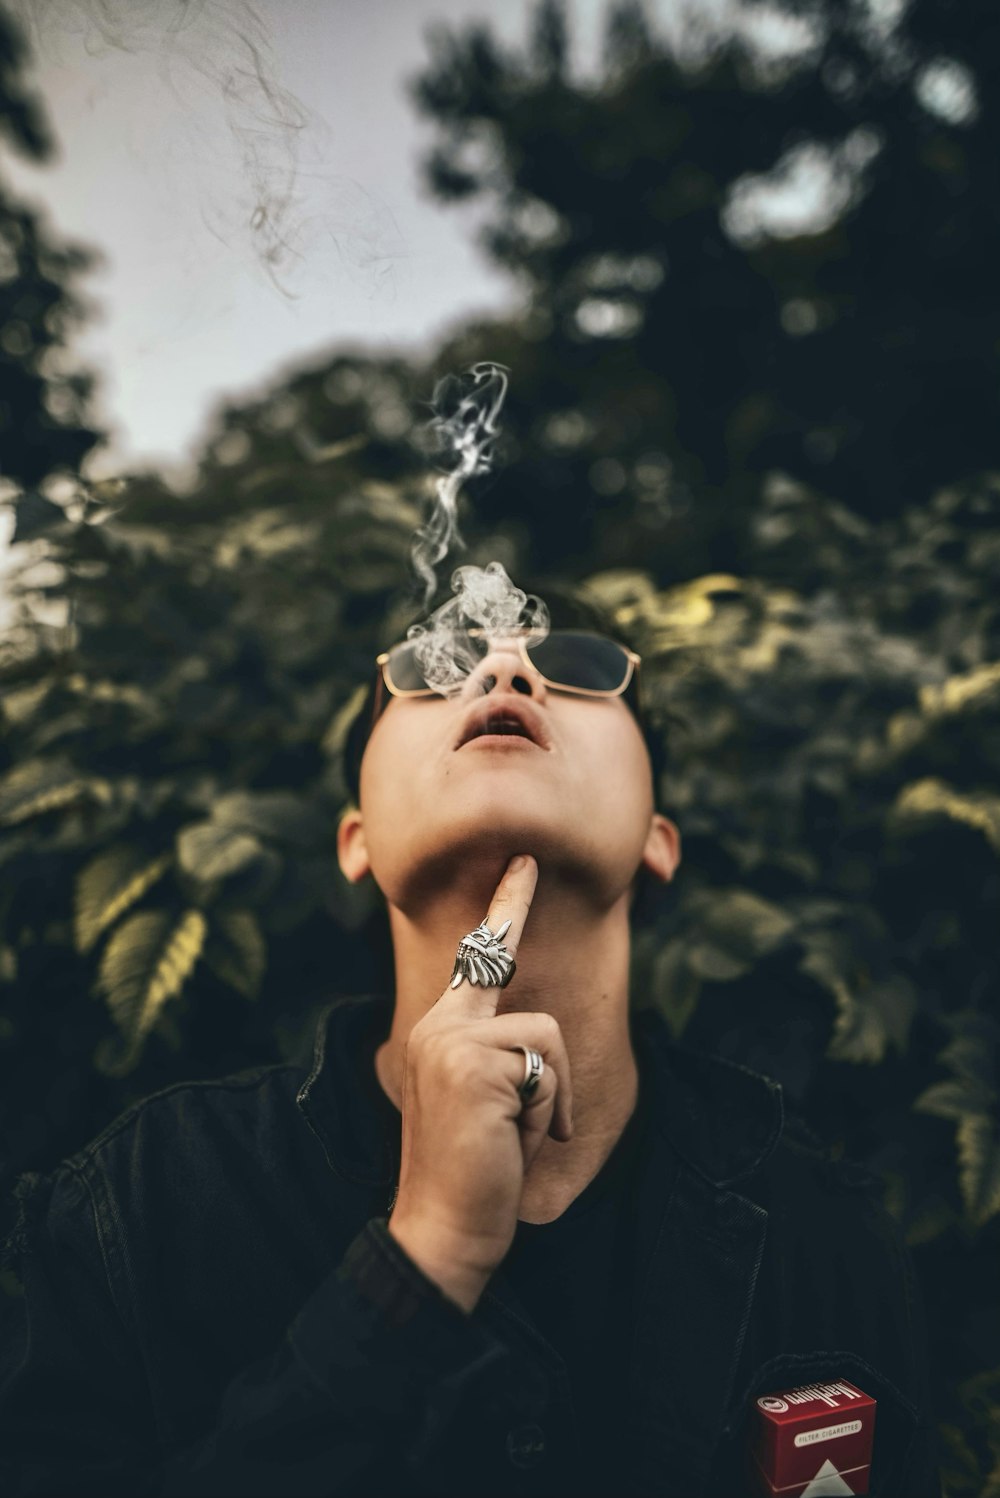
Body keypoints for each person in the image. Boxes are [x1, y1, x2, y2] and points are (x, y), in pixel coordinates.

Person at [0, 596, 941, 1498]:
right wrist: (421, 1264)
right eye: (433, 668)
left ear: (659, 839)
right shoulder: (139, 1209)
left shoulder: (830, 1237)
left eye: (575, 667)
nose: (504, 667)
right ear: (355, 840)